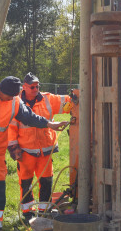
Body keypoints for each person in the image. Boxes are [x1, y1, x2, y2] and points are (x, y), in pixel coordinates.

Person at [0, 76, 67, 231]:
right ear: (0, 90)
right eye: (9, 96)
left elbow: (29, 117)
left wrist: (49, 124)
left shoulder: (14, 101)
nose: (11, 99)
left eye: (13, 97)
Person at [8, 73, 74, 221]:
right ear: (24, 87)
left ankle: (44, 213)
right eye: (32, 86)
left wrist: (76, 97)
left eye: (37, 86)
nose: (36, 89)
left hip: (45, 150)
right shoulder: (16, 103)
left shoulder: (48, 99)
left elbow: (68, 102)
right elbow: (11, 128)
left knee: (46, 182)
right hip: (25, 152)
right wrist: (14, 149)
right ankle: (27, 214)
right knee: (26, 184)